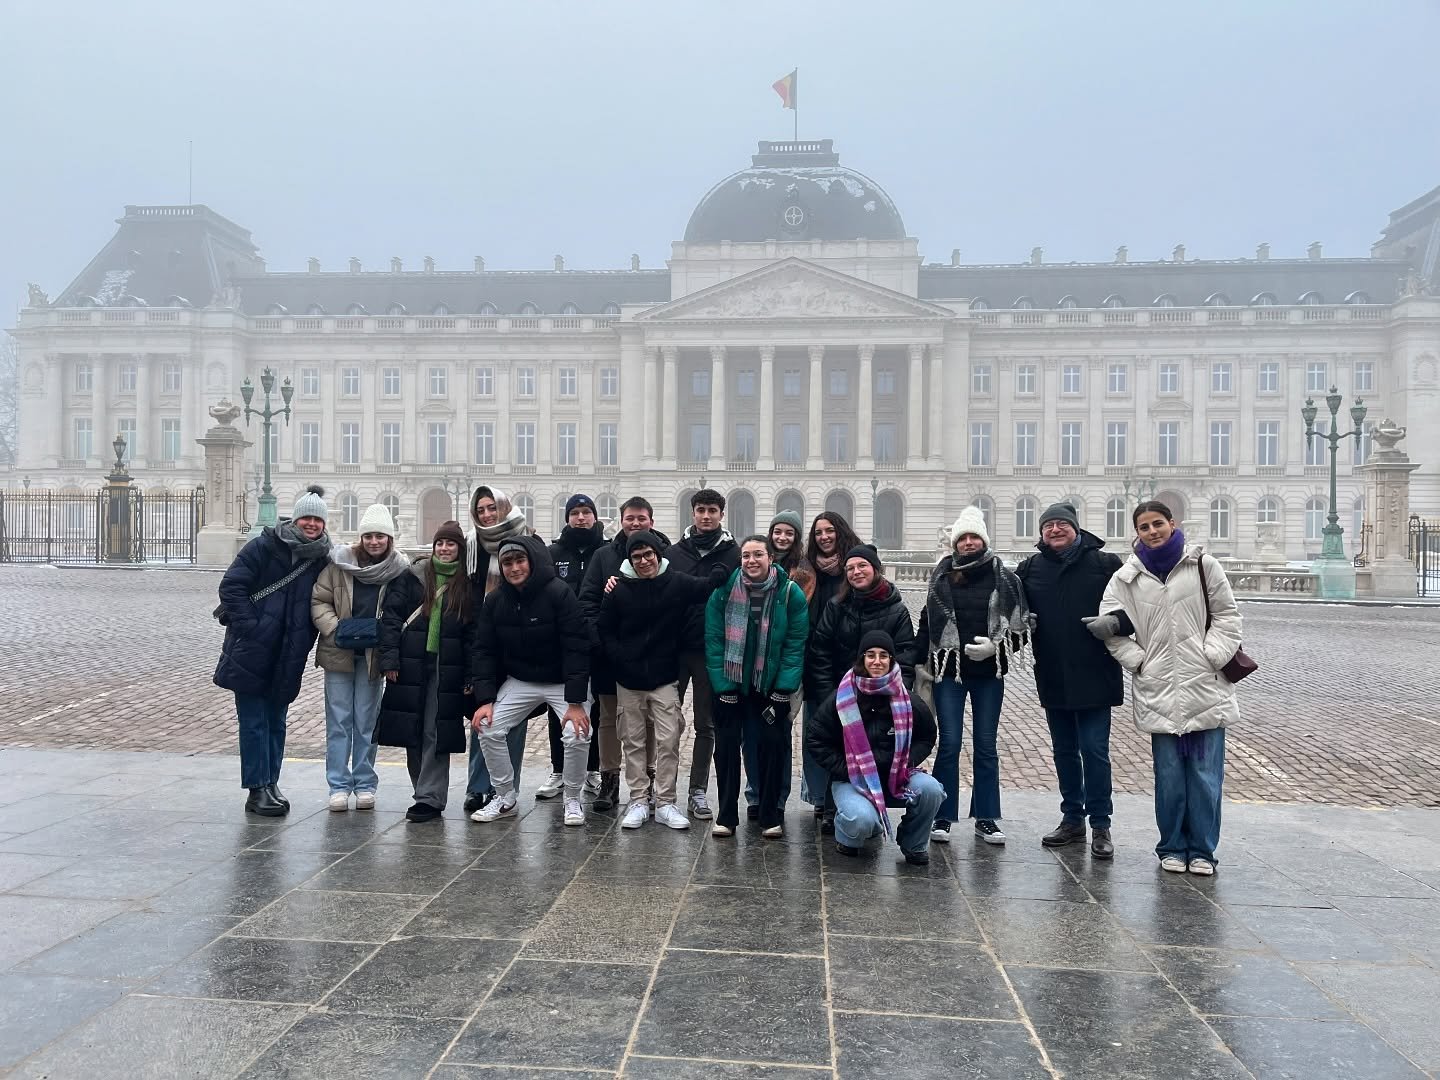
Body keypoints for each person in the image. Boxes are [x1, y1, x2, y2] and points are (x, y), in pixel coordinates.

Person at [1093, 500, 1242, 876]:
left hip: (1205, 684)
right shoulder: (1126, 578)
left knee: (1206, 777)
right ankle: (1172, 846)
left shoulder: (1203, 565)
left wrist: (1212, 655)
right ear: (1137, 533)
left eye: (1157, 523)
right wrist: (1140, 661)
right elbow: (1110, 629)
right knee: (1170, 777)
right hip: (1159, 687)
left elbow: (1227, 615)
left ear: (1172, 524)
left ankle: (1203, 850)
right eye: (1144, 527)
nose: (1152, 531)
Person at [915, 506, 1032, 845]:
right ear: (955, 543)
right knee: (949, 743)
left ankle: (986, 817)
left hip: (988, 674)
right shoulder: (941, 575)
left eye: (974, 537)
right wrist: (915, 661)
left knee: (985, 745)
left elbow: (1022, 627)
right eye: (963, 538)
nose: (968, 542)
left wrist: (996, 648)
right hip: (948, 672)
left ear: (984, 540)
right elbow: (928, 622)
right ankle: (942, 815)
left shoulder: (1005, 578)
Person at [214, 485, 332, 817]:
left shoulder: (322, 558)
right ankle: (256, 789)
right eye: (306, 518)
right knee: (254, 721)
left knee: (277, 721)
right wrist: (252, 627)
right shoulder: (264, 545)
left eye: (317, 520)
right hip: (252, 648)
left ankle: (271, 782)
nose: (311, 524)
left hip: (289, 652)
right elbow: (231, 586)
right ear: (295, 519)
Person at [1015, 502, 1124, 858]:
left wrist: (1117, 623)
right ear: (1041, 532)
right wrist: (1019, 626)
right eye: (1048, 525)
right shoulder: (1030, 569)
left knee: (1094, 750)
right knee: (1063, 750)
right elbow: (1010, 614)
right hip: (1054, 672)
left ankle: (1101, 824)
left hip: (1096, 672)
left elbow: (1136, 609)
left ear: (1076, 528)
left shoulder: (1106, 564)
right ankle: (1072, 819)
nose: (1055, 530)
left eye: (1062, 524)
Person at [598, 530, 727, 830]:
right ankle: (638, 800)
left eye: (648, 555)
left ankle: (666, 801)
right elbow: (604, 629)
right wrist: (620, 657)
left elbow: (706, 586)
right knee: (632, 742)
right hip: (628, 679)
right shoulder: (618, 588)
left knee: (669, 740)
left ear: (658, 555)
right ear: (630, 560)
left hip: (664, 677)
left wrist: (723, 566)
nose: (643, 561)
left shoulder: (675, 582)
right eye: (637, 557)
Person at [470, 535, 594, 826]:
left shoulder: (559, 593)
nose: (514, 568)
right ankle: (504, 797)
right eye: (508, 563)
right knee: (487, 727)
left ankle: (572, 797)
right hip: (522, 679)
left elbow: (577, 647)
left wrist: (576, 702)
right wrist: (485, 700)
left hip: (562, 681)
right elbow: (484, 650)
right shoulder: (496, 599)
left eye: (520, 560)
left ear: (533, 561)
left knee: (577, 733)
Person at [806, 631, 943, 865]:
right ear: (862, 659)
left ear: (891, 660)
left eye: (883, 655)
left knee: (931, 790)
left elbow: (927, 735)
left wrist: (905, 762)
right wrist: (846, 769)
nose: (877, 661)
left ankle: (914, 843)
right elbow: (816, 738)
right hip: (853, 780)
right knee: (861, 820)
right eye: (870, 655)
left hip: (896, 777)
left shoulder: (907, 699)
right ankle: (847, 834)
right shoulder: (843, 697)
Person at [704, 535, 808, 838]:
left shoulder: (789, 593)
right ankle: (726, 815)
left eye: (758, 554)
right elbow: (714, 640)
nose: (751, 560)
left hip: (768, 687)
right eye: (746, 555)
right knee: (726, 750)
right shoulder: (724, 591)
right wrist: (724, 687)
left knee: (772, 747)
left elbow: (794, 644)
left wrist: (783, 688)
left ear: (770, 558)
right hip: (731, 684)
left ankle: (769, 814)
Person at [311, 503, 411, 811]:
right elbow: (319, 600)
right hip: (338, 652)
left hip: (372, 656)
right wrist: (335, 628)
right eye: (368, 536)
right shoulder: (339, 565)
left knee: (366, 722)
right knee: (339, 721)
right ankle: (338, 785)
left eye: (380, 536)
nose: (374, 542)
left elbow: (404, 610)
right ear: (361, 538)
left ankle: (365, 783)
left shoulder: (397, 570)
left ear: (389, 538)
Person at [376, 520, 472, 823]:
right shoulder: (413, 576)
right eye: (440, 543)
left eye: (450, 544)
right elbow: (391, 619)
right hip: (410, 663)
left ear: (460, 548)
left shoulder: (466, 583)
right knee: (412, 729)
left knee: (435, 730)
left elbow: (472, 634)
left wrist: (470, 674)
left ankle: (430, 798)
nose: (444, 549)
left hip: (446, 668)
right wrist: (389, 660)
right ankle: (421, 789)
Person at [579, 496, 670, 811]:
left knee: (649, 719)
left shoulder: (666, 554)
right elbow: (587, 601)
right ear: (621, 520)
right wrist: (599, 641)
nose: (635, 523)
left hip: (651, 653)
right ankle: (609, 779)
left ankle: (647, 778)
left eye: (641, 518)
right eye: (630, 518)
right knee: (608, 718)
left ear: (651, 521)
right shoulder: (604, 556)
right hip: (609, 652)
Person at [670, 489, 742, 820]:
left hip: (711, 650)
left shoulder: (733, 554)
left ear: (721, 515)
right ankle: (663, 787)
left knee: (706, 724)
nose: (706, 516)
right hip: (674, 648)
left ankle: (697, 790)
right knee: (667, 722)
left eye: (712, 510)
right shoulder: (674, 552)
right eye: (701, 510)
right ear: (693, 513)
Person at [461, 485, 531, 814]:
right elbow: (467, 594)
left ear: (503, 507)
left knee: (514, 722)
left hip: (519, 641)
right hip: (483, 639)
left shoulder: (527, 539)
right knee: (483, 714)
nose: (487, 515)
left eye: (492, 508)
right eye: (481, 510)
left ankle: (505, 788)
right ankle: (477, 787)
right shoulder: (472, 545)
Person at [539, 493, 606, 800]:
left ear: (594, 517)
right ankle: (558, 770)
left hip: (596, 641)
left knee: (597, 708)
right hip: (560, 644)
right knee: (559, 709)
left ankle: (592, 769)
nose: (581, 518)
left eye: (586, 512)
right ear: (567, 518)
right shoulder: (553, 553)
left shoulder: (605, 552)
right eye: (575, 513)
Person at [801, 511, 865, 820]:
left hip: (851, 665)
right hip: (816, 662)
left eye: (829, 531)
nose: (824, 537)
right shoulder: (808, 570)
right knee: (817, 731)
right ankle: (819, 796)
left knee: (851, 733)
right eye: (818, 533)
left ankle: (847, 793)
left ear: (840, 531)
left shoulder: (856, 567)